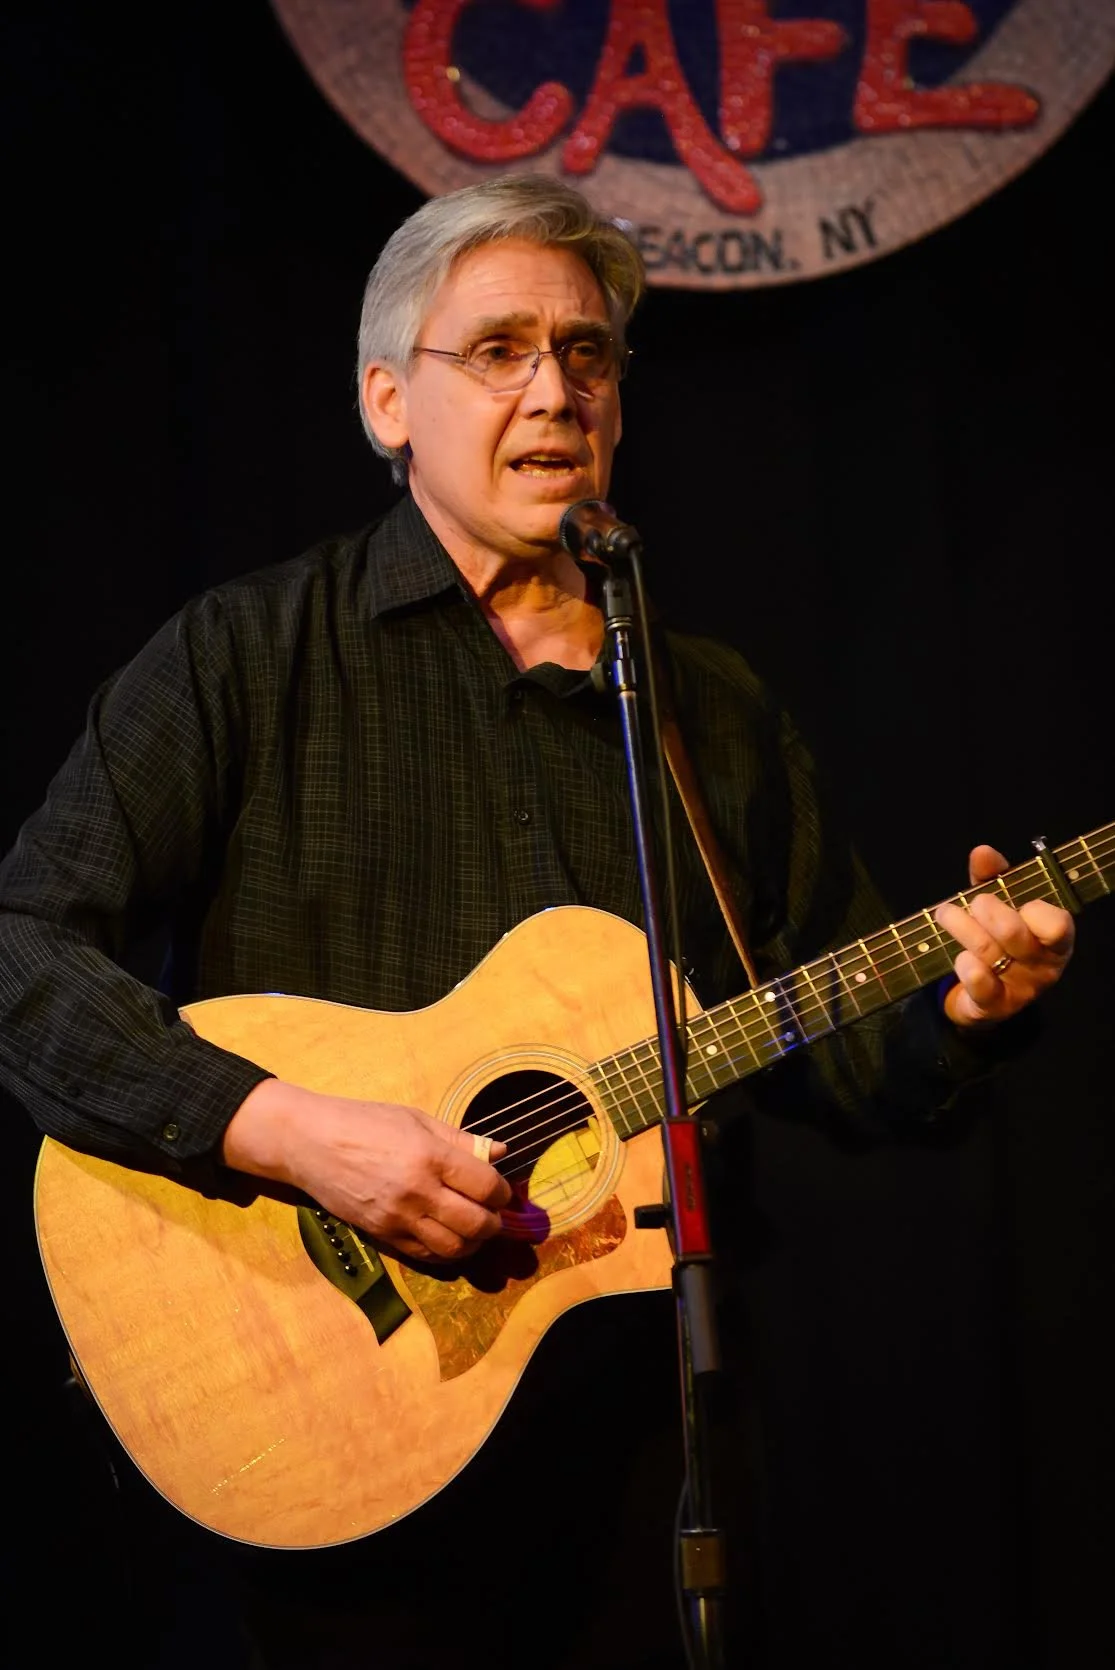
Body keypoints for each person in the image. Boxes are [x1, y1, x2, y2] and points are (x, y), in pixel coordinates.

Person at [0, 176, 1074, 1668]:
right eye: (498, 351)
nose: (554, 392)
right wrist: (292, 1132)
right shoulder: (250, 654)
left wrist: (962, 1007)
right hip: (333, 1405)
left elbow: (824, 1051)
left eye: (586, 355)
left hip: (639, 1435)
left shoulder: (705, 707)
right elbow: (25, 957)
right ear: (388, 401)